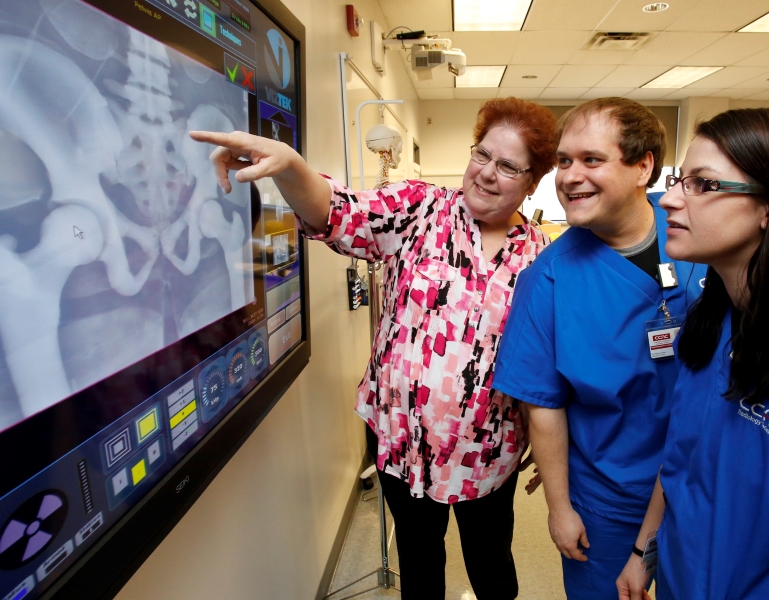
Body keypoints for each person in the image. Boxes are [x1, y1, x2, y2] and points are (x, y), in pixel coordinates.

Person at [190, 97, 558, 600]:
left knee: (492, 567)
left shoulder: (540, 256)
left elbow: (549, 359)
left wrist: (551, 439)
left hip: (489, 450)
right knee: (420, 567)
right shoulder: (419, 209)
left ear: (532, 182)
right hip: (403, 442)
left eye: (509, 166)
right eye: (481, 155)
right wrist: (291, 165)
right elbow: (335, 211)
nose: (487, 173)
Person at [492, 98, 706, 600]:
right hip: (609, 494)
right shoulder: (547, 280)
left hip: (703, 479)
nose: (570, 176)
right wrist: (560, 507)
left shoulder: (697, 232)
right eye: (564, 161)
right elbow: (542, 403)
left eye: (592, 160)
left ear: (643, 167)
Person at [616, 108, 769, 600]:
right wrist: (643, 553)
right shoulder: (707, 322)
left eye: (703, 184)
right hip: (680, 576)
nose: (670, 199)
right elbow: (680, 456)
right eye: (679, 179)